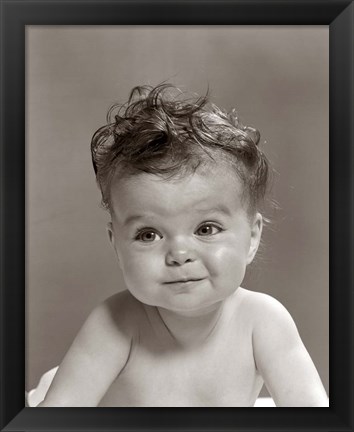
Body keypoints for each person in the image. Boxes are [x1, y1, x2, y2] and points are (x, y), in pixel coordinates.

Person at [37, 84, 328, 407]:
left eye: (206, 228)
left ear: (252, 237)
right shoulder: (115, 323)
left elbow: (313, 413)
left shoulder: (262, 321)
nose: (179, 255)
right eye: (148, 234)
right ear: (116, 246)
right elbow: (58, 415)